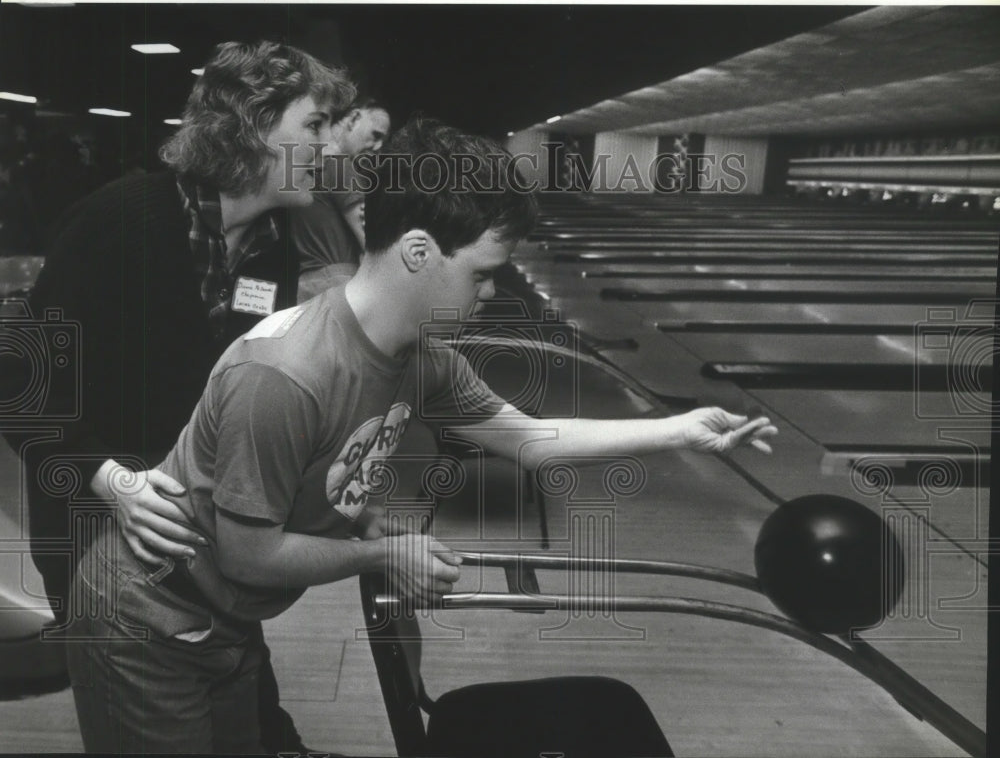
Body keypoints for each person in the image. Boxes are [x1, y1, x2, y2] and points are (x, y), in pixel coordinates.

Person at [64, 118, 777, 753]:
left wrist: (679, 430)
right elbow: (251, 556)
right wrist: (381, 550)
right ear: (416, 250)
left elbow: (530, 439)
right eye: (483, 273)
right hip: (145, 622)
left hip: (221, 620)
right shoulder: (284, 373)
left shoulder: (422, 357)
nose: (494, 293)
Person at [2, 40, 355, 753]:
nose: (329, 147)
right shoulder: (120, 222)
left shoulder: (273, 249)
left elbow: (233, 390)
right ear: (255, 124)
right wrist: (113, 479)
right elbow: (19, 389)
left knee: (241, 699)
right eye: (315, 126)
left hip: (196, 528)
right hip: (93, 525)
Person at [292, 98, 391, 301]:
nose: (378, 146)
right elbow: (370, 238)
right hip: (339, 283)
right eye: (376, 134)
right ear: (354, 118)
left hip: (305, 285)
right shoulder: (339, 165)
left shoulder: (306, 169)